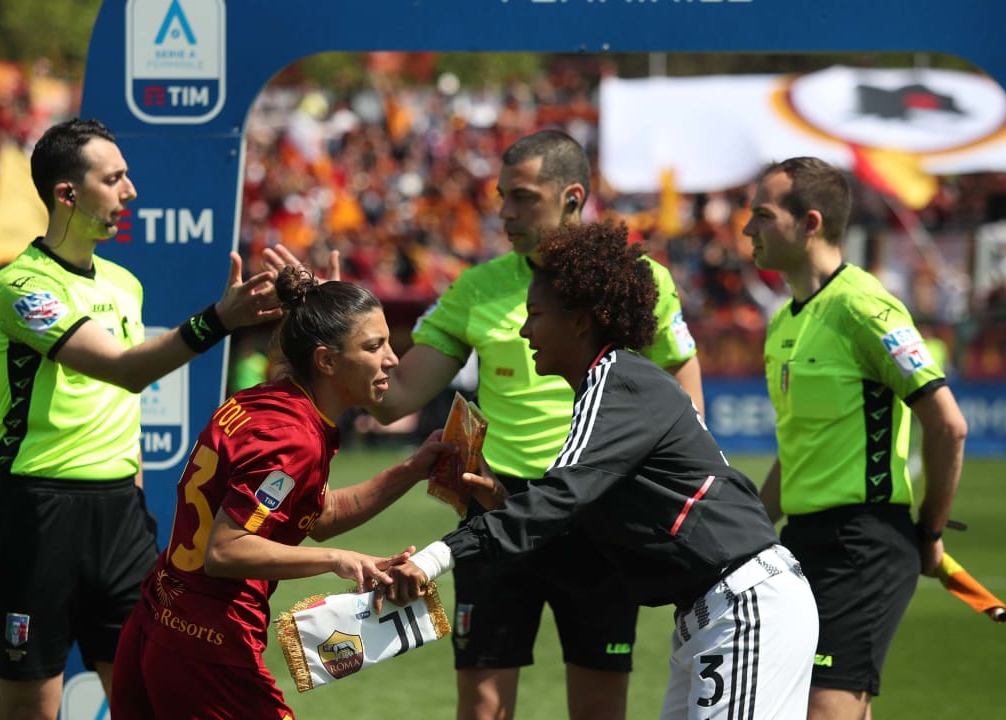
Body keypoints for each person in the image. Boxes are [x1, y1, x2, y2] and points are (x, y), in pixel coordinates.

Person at [386, 221, 818, 720]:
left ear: (580, 320)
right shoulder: (611, 387)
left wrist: (435, 558)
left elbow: (559, 498)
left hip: (742, 607)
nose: (524, 331)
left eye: (536, 315)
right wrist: (506, 502)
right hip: (714, 612)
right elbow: (578, 508)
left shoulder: (619, 384)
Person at [370, 128, 703, 720]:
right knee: (482, 714)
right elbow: (393, 400)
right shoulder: (476, 287)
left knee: (599, 711)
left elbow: (684, 395)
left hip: (599, 509)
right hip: (495, 509)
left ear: (572, 197)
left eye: (523, 196)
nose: (505, 212)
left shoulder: (633, 281)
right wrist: (336, 329)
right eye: (502, 196)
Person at [0, 118, 286, 720]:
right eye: (113, 178)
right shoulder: (20, 286)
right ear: (68, 194)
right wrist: (217, 320)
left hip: (122, 519)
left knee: (150, 697)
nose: (131, 192)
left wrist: (137, 498)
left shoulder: (124, 285)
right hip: (37, 516)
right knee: (28, 709)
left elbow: (122, 407)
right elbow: (120, 370)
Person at [111, 265, 454, 720]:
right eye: (374, 346)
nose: (392, 358)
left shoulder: (272, 402)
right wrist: (341, 561)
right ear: (327, 361)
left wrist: (412, 470)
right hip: (209, 639)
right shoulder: (292, 437)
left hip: (160, 617)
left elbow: (320, 514)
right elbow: (227, 551)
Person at [741, 157, 968, 720]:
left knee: (826, 707)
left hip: (864, 545)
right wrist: (744, 534)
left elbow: (947, 424)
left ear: (810, 222)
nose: (747, 230)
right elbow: (795, 452)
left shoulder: (866, 307)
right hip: (802, 543)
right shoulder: (781, 323)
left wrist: (931, 531)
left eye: (762, 216)